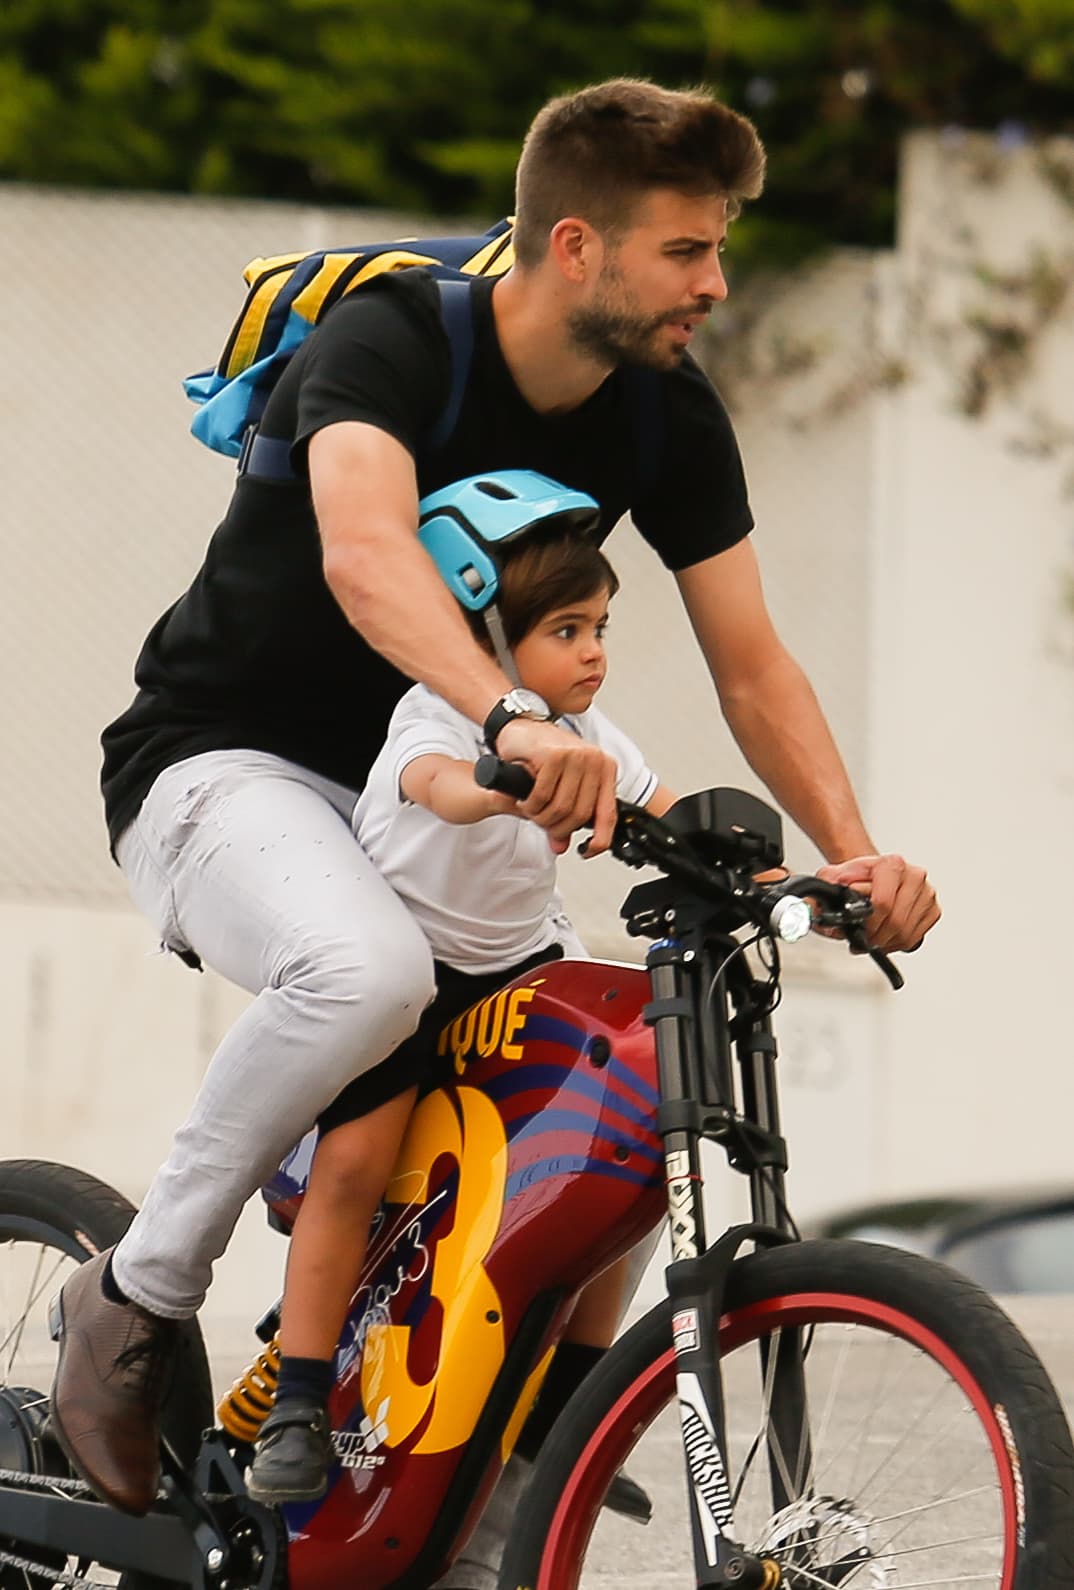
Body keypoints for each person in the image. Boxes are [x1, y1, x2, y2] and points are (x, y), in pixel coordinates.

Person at [51, 73, 940, 1554]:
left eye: (721, 249)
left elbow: (750, 659)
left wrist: (849, 850)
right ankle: (134, 1296)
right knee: (368, 971)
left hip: (450, 806)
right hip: (225, 765)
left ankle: (464, 1437)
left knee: (606, 1058)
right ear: (576, 245)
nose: (716, 283)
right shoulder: (393, 343)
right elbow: (363, 554)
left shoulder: (662, 411)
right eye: (687, 251)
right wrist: (511, 714)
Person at [245, 491, 676, 1503]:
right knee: (353, 1166)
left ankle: (564, 1413)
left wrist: (773, 878)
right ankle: (298, 1406)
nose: (594, 653)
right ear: (487, 637)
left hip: (520, 971)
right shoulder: (432, 716)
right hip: (410, 983)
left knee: (623, 1151)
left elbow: (662, 802)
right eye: (566, 631)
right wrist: (506, 780)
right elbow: (438, 786)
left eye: (600, 629)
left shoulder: (587, 727)